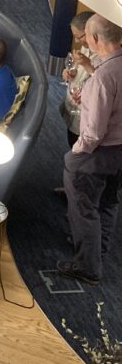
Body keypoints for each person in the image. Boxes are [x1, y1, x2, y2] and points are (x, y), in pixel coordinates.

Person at [59, 15, 122, 284]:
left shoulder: (103, 77)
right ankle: (98, 253)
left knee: (83, 208)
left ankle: (87, 267)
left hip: (97, 154)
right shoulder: (108, 69)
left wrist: (76, 154)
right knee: (108, 203)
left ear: (95, 39)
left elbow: (93, 132)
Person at [58, 11, 98, 150]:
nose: (76, 41)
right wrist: (71, 72)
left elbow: (102, 84)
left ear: (90, 33)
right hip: (74, 107)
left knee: (81, 150)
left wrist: (87, 65)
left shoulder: (107, 58)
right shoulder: (86, 47)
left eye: (78, 36)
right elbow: (78, 71)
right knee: (71, 141)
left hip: (86, 116)